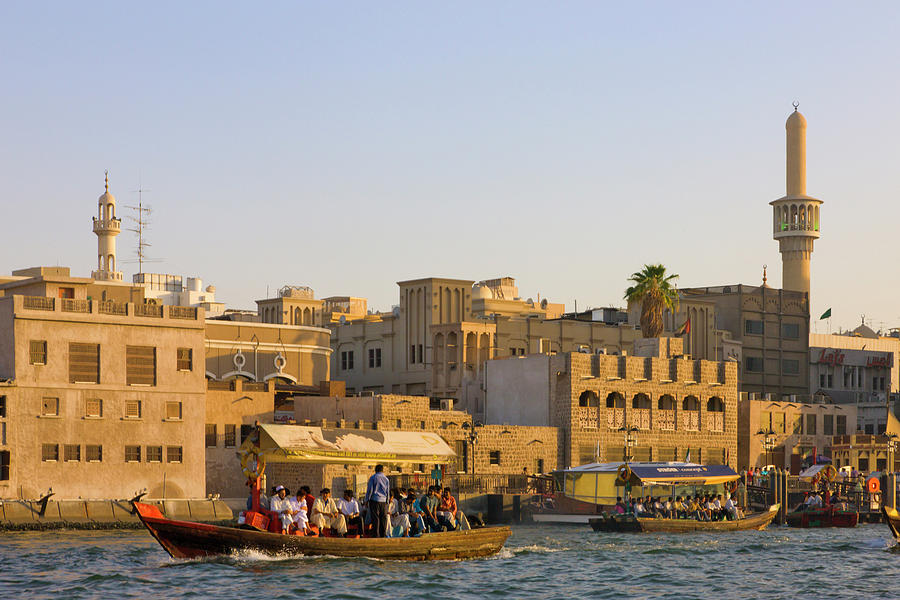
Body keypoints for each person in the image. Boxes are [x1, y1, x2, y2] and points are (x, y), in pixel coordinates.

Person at [364, 464, 390, 538]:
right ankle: (383, 534)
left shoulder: (373, 477)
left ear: (375, 470)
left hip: (375, 500)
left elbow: (370, 490)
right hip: (383, 501)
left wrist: (366, 500)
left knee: (375, 518)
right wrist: (387, 501)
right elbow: (387, 491)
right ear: (382, 470)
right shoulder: (386, 479)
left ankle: (376, 534)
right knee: (383, 518)